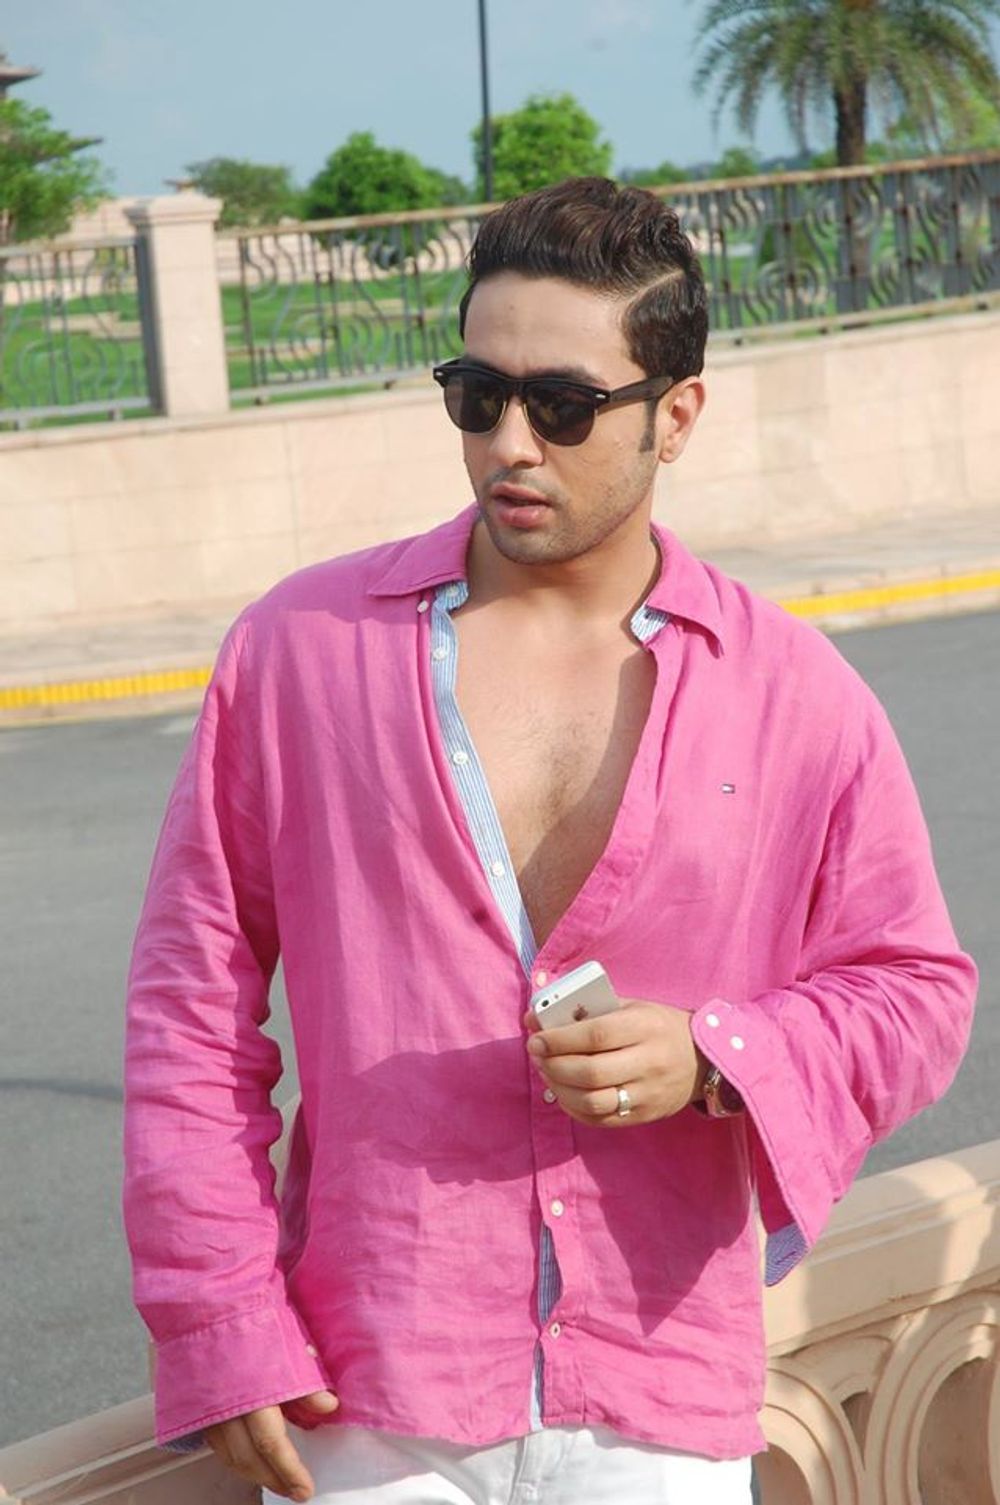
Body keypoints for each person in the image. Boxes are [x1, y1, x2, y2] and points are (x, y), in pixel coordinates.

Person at [123, 177, 976, 1505]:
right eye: (477, 395)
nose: (509, 444)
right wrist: (218, 1318)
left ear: (675, 414)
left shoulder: (792, 692)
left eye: (563, 406)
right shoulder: (300, 655)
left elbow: (917, 991)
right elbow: (191, 1008)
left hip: (656, 1395)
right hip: (369, 1391)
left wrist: (717, 1056)